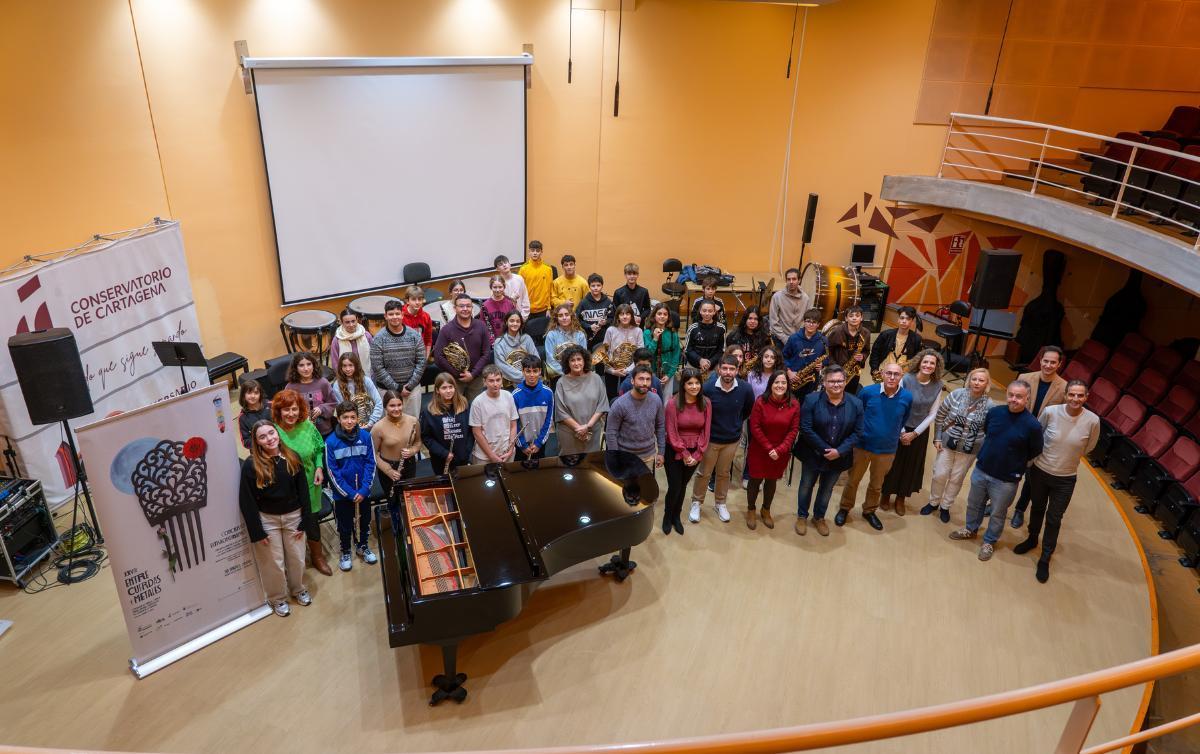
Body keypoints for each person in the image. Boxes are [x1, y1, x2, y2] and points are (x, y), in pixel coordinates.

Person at [1013, 380, 1099, 582]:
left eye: (1080, 395)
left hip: (1065, 478)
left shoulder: (1093, 420)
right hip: (1041, 471)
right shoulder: (1051, 412)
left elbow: (1089, 446)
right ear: (1066, 395)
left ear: (1086, 397)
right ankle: (1032, 538)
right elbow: (1038, 436)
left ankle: (1045, 556)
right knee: (1037, 508)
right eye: (1072, 394)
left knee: (1054, 518)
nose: (1075, 399)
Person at [950, 380, 1045, 561]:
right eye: (1011, 395)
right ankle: (970, 529)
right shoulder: (994, 413)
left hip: (1006, 480)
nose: (1014, 399)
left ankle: (989, 541)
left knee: (997, 513)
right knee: (974, 504)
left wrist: (1016, 466)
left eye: (1019, 397)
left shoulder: (1033, 425)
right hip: (982, 469)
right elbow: (987, 432)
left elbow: (1036, 450)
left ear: (1027, 398)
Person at [239, 420, 311, 617]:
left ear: (277, 433)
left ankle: (298, 589)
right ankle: (277, 598)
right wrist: (257, 531)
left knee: (297, 558)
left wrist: (306, 519)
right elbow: (247, 501)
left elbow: (303, 490)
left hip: (293, 517)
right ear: (256, 442)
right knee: (273, 563)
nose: (269, 439)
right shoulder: (250, 465)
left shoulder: (292, 457)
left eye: (271, 433)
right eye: (263, 437)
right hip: (267, 520)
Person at [835, 361, 912, 531]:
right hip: (862, 446)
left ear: (901, 377)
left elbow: (903, 420)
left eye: (896, 374)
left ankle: (869, 511)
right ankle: (845, 508)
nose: (892, 377)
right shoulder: (868, 392)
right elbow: (856, 415)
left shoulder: (907, 397)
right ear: (882, 374)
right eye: (889, 373)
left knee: (876, 485)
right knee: (853, 481)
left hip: (887, 450)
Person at [794, 365, 863, 536]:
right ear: (824, 382)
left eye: (840, 381)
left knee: (826, 489)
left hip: (838, 457)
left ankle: (819, 517)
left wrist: (839, 451)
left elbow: (858, 432)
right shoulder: (811, 400)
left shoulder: (856, 403)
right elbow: (806, 428)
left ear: (845, 382)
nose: (836, 384)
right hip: (813, 453)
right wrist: (826, 450)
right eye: (831, 381)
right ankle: (802, 516)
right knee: (806, 485)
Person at [920, 367, 994, 523]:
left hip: (970, 449)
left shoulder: (990, 406)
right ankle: (934, 502)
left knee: (956, 479)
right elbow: (940, 416)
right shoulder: (956, 395)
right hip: (947, 443)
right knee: (939, 474)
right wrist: (937, 438)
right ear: (969, 380)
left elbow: (989, 430)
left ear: (987, 384)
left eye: (981, 380)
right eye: (974, 379)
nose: (977, 382)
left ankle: (945, 506)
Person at [689, 356, 755, 523]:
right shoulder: (708, 388)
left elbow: (746, 411)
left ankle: (720, 503)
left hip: (732, 440)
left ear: (737, 370)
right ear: (718, 369)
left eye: (731, 369)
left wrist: (735, 426)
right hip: (711, 440)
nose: (728, 372)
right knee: (704, 473)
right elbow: (700, 411)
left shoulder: (745, 389)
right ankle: (696, 502)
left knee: (724, 474)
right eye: (724, 368)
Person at [271, 389, 330, 576]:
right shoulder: (274, 432)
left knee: (311, 520)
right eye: (286, 410)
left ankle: (317, 556)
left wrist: (319, 467)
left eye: (294, 409)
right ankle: (294, 561)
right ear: (279, 411)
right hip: (287, 487)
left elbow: (319, 449)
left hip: (311, 481)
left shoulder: (308, 426)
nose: (291, 414)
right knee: (292, 522)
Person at [880, 349, 945, 516]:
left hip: (919, 431)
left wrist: (914, 433)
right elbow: (897, 405)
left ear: (936, 366)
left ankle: (901, 498)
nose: (928, 365)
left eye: (932, 363)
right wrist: (903, 432)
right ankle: (885, 494)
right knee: (892, 464)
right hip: (899, 427)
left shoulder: (938, 385)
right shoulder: (906, 379)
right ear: (919, 362)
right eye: (925, 362)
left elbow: (933, 413)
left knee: (911, 466)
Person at [1009, 346, 1068, 528]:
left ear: (1059, 364)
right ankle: (997, 503)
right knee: (1007, 471)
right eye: (1045, 361)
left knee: (1031, 478)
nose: (1048, 365)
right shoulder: (1024, 378)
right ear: (1040, 360)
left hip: (1040, 439)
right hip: (1017, 432)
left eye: (1053, 362)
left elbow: (1062, 417)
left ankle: (1019, 509)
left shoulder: (1064, 387)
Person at [324, 402, 377, 572]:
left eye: (353, 417)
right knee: (345, 524)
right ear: (338, 419)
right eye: (345, 418)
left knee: (364, 520)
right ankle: (346, 550)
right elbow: (333, 473)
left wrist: (363, 489)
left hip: (363, 492)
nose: (349, 421)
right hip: (343, 495)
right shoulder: (331, 442)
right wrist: (349, 493)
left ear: (357, 418)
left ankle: (362, 546)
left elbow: (371, 463)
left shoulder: (366, 437)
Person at [745, 371, 800, 530]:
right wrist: (770, 448)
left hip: (780, 452)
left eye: (783, 383)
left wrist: (781, 449)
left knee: (771, 480)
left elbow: (794, 429)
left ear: (788, 385)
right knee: (755, 480)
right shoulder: (761, 401)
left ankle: (766, 509)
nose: (780, 386)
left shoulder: (794, 404)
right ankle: (751, 509)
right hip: (760, 449)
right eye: (776, 382)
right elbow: (754, 427)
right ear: (771, 384)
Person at [663, 367, 710, 536]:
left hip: (695, 450)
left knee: (683, 485)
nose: (694, 386)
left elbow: (706, 431)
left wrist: (697, 454)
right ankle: (667, 517)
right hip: (675, 450)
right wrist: (684, 454)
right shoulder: (672, 404)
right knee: (675, 486)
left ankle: (677, 516)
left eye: (697, 383)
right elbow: (671, 432)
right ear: (683, 385)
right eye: (690, 383)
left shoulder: (706, 403)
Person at [372, 390, 422, 529]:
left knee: (408, 496)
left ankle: (409, 526)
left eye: (399, 405)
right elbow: (373, 454)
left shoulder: (413, 421)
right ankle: (396, 528)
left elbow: (418, 443)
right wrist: (388, 471)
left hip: (409, 464)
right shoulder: (378, 428)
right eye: (392, 406)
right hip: (388, 469)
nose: (396, 409)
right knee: (393, 500)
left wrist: (411, 451)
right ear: (385, 407)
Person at [370, 299, 427, 417]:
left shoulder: (414, 335)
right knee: (390, 429)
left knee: (412, 426)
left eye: (397, 314)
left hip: (412, 390)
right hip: (388, 392)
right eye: (391, 314)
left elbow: (421, 362)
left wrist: (410, 385)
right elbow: (378, 368)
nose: (394, 317)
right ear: (385, 316)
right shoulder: (378, 339)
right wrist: (398, 388)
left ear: (402, 314)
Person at [605, 365, 666, 471]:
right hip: (625, 456)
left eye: (648, 379)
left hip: (649, 456)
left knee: (644, 487)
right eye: (641, 379)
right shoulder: (620, 404)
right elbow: (611, 433)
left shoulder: (656, 400)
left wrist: (661, 452)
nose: (645, 383)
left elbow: (660, 427)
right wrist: (614, 457)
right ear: (632, 381)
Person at [433, 293, 493, 400]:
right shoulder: (446, 330)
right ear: (455, 308)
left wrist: (473, 374)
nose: (465, 309)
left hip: (477, 378)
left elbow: (486, 353)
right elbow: (438, 357)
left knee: (475, 410)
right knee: (456, 410)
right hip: (455, 380)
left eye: (468, 306)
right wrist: (457, 374)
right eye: (461, 306)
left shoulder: (481, 326)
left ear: (472, 308)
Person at [554, 345, 609, 454]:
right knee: (570, 466)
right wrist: (579, 428)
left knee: (591, 465)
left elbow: (602, 405)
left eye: (579, 359)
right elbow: (561, 411)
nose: (576, 363)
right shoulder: (561, 382)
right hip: (569, 433)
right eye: (572, 360)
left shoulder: (596, 378)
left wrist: (587, 427)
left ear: (584, 360)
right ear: (567, 363)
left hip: (592, 431)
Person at [419, 373, 475, 475]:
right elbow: (426, 437)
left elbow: (471, 431)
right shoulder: (428, 411)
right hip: (442, 460)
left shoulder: (465, 405)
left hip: (463, 457)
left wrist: (467, 451)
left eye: (451, 387)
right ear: (437, 390)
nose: (448, 391)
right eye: (444, 388)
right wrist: (444, 453)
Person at [470, 365, 520, 464]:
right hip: (484, 456)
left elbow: (513, 426)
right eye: (491, 381)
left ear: (502, 381)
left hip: (506, 453)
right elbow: (477, 432)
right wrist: (491, 456)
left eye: (498, 380)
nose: (495, 384)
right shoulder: (477, 402)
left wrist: (510, 449)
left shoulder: (508, 396)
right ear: (484, 382)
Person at [284, 351, 338, 436]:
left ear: (314, 365)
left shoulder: (323, 382)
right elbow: (286, 409)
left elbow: (333, 403)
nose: (306, 369)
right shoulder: (290, 387)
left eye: (309, 364)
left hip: (325, 431)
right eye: (301, 365)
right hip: (303, 433)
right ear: (295, 368)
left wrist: (322, 409)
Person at [513, 355, 555, 461]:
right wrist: (522, 444)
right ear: (523, 371)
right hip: (521, 446)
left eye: (535, 371)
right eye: (528, 371)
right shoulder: (515, 395)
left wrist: (539, 443)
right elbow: (514, 424)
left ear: (540, 371)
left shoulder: (548, 393)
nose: (532, 375)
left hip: (539, 444)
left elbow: (549, 421)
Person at [783, 308, 828, 399]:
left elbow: (828, 357)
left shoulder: (823, 340)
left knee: (807, 406)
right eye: (808, 321)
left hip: (811, 381)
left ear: (818, 324)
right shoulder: (793, 338)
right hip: (793, 378)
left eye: (814, 322)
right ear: (804, 322)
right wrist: (789, 372)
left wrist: (822, 364)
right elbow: (783, 357)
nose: (811, 324)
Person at [868, 305, 922, 381]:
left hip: (903, 375)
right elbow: (875, 353)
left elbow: (917, 359)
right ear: (898, 319)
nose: (904, 321)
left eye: (908, 319)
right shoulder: (885, 334)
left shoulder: (916, 339)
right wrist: (874, 370)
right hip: (883, 372)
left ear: (912, 322)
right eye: (902, 318)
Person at [826, 305, 871, 394]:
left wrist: (862, 356)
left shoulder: (866, 333)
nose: (854, 318)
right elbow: (828, 351)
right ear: (846, 318)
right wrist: (834, 367)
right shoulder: (837, 331)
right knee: (834, 392)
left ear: (861, 318)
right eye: (851, 316)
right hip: (837, 368)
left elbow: (866, 350)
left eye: (857, 316)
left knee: (850, 393)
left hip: (854, 369)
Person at [329, 352, 383, 428]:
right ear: (341, 367)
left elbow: (378, 402)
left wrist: (371, 422)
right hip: (349, 425)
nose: (347, 369)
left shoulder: (366, 380)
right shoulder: (337, 385)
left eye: (351, 365)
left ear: (356, 366)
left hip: (370, 423)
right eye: (344, 366)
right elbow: (341, 410)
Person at [602, 304, 643, 399]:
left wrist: (627, 370)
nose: (624, 317)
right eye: (621, 314)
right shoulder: (610, 330)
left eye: (627, 314)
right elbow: (603, 353)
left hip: (630, 369)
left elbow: (640, 354)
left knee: (628, 396)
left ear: (632, 316)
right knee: (611, 396)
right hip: (612, 369)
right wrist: (612, 371)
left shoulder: (638, 331)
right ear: (617, 317)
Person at [643, 302, 681, 398]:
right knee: (652, 398)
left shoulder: (673, 333)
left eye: (665, 314)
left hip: (668, 372)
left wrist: (670, 374)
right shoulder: (647, 333)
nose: (662, 316)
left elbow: (676, 355)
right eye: (659, 314)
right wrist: (655, 339)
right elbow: (648, 355)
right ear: (654, 316)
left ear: (668, 317)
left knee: (666, 399)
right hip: (652, 372)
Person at [493, 310, 539, 386]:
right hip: (509, 382)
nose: (515, 323)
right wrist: (524, 377)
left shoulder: (527, 338)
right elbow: (501, 366)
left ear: (521, 324)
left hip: (530, 379)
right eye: (512, 321)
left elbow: (536, 359)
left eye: (518, 321)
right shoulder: (499, 342)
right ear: (506, 322)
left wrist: (530, 376)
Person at [683, 301, 726, 379]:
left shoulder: (721, 328)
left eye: (710, 311)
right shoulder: (692, 328)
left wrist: (710, 362)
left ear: (714, 312)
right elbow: (687, 349)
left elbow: (721, 350)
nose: (707, 313)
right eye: (704, 310)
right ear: (700, 311)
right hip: (693, 365)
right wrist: (700, 360)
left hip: (713, 367)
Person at [768, 267, 811, 346]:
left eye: (794, 279)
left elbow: (807, 320)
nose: (791, 282)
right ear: (786, 281)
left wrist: (800, 337)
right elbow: (773, 321)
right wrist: (785, 339)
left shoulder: (805, 298)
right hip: (780, 338)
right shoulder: (777, 297)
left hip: (798, 338)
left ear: (799, 280)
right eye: (789, 279)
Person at [544, 302, 587, 379]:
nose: (564, 318)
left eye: (567, 314)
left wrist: (575, 372)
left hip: (577, 372)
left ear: (571, 316)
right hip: (558, 373)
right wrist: (566, 373)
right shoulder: (551, 335)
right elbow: (550, 359)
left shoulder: (580, 335)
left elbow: (584, 357)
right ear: (556, 318)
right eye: (560, 316)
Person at [726, 306, 770, 377]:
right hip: (737, 372)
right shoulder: (733, 336)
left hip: (758, 372)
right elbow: (728, 357)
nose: (752, 321)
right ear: (745, 319)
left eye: (756, 319)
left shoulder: (765, 337)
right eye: (750, 318)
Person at [329, 308, 374, 375]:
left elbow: (374, 356)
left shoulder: (366, 335)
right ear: (342, 323)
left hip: (367, 375)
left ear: (357, 320)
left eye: (353, 321)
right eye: (347, 322)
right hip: (346, 378)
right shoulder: (337, 340)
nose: (351, 325)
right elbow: (335, 363)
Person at [576, 273, 614, 352]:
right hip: (587, 338)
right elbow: (577, 319)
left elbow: (612, 318)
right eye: (593, 286)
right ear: (589, 287)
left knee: (600, 361)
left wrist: (606, 322)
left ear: (602, 286)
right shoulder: (584, 302)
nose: (596, 288)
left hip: (603, 338)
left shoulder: (607, 302)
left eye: (598, 285)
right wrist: (589, 326)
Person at [519, 240, 554, 320]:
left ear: (541, 252)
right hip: (527, 309)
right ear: (529, 252)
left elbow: (550, 289)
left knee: (542, 332)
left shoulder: (548, 269)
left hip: (543, 310)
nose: (535, 253)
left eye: (537, 251)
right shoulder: (523, 269)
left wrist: (549, 308)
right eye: (532, 250)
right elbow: (520, 290)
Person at [481, 274, 518, 344]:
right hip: (493, 342)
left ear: (504, 287)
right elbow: (484, 326)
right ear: (491, 288)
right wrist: (492, 341)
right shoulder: (485, 305)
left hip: (509, 339)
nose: (497, 290)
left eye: (500, 287)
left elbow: (514, 322)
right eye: (495, 287)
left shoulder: (509, 303)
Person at [612, 262, 651, 326]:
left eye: (634, 274)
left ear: (638, 275)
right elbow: (615, 311)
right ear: (625, 275)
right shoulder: (618, 292)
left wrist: (640, 317)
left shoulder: (644, 291)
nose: (632, 276)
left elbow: (647, 309)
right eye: (629, 274)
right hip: (623, 325)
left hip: (638, 324)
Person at [237, 378, 272, 449]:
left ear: (260, 394)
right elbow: (245, 442)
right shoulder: (242, 417)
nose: (253, 396)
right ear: (243, 395)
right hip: (259, 450)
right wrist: (261, 442)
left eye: (256, 393)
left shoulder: (270, 405)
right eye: (249, 393)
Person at [401, 285, 435, 352]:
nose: (417, 302)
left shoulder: (426, 317)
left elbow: (428, 340)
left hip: (420, 352)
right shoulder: (400, 316)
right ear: (407, 301)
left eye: (420, 299)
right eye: (413, 299)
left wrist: (425, 358)